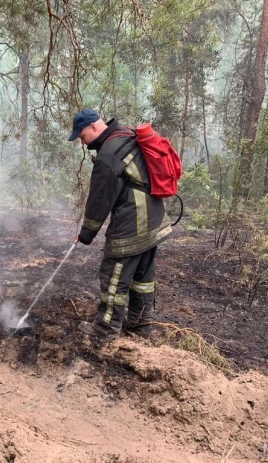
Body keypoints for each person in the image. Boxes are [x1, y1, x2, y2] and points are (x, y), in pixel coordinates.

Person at [68, 109, 172, 341]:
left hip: (132, 224)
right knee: (142, 277)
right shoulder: (127, 134)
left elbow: (99, 201)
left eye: (82, 136)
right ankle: (139, 325)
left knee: (114, 276)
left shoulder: (108, 154)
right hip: (153, 220)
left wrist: (86, 234)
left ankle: (105, 329)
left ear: (94, 127)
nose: (83, 143)